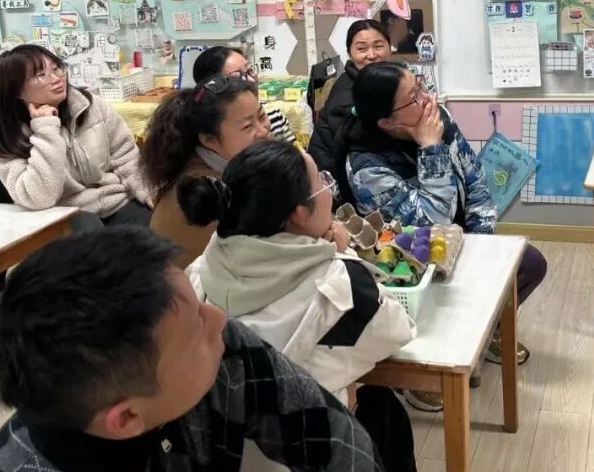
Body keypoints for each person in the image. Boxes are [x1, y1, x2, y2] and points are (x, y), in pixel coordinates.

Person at [0, 227, 383, 472]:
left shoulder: (223, 351)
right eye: (195, 331)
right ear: (127, 417)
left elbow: (335, 440)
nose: (218, 318)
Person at [178, 139, 417, 472]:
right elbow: (398, 329)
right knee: (385, 412)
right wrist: (342, 254)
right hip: (302, 454)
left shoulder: (198, 273)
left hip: (222, 452)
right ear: (300, 214)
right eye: (321, 181)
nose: (329, 189)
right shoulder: (340, 287)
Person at [337, 61, 547, 411]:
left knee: (529, 265)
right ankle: (419, 372)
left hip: (463, 242)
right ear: (387, 122)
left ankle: (490, 330)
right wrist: (430, 149)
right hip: (412, 264)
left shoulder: (439, 118)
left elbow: (477, 183)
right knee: (440, 311)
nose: (427, 99)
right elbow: (430, 224)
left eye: (420, 86)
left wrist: (483, 246)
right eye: (413, 98)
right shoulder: (367, 167)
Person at [0, 44, 151, 230]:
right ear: (16, 90)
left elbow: (125, 155)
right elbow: (39, 198)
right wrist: (45, 129)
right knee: (91, 232)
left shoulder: (90, 105)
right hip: (62, 214)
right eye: (41, 74)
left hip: (115, 201)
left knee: (159, 225)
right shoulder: (6, 137)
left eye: (56, 68)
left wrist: (146, 189)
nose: (56, 78)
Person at [141, 75, 270, 267]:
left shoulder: (228, 165)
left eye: (261, 116)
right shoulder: (206, 193)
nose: (264, 131)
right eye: (247, 126)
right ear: (210, 140)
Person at [309, 20, 392, 173]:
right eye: (362, 49)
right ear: (350, 53)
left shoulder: (384, 78)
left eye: (378, 46)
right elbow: (366, 141)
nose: (372, 55)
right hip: (335, 172)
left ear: (390, 48)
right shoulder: (347, 92)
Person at [192, 46, 297, 145]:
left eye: (250, 70)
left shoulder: (272, 114)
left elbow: (295, 153)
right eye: (237, 77)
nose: (251, 80)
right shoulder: (209, 130)